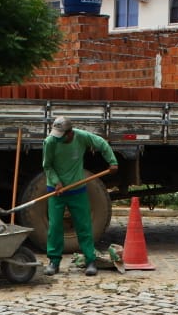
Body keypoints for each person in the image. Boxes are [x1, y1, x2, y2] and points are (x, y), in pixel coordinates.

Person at [41, 115, 119, 277]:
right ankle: (54, 261)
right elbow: (47, 166)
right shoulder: (50, 142)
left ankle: (90, 260)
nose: (58, 138)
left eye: (61, 135)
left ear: (70, 133)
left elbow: (102, 144)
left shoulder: (81, 137)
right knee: (55, 226)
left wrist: (112, 162)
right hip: (56, 191)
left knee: (83, 225)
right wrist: (56, 182)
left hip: (77, 190)